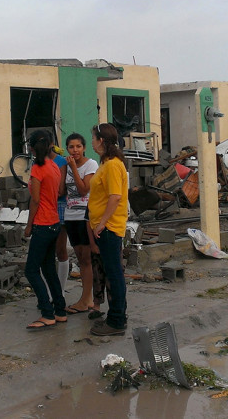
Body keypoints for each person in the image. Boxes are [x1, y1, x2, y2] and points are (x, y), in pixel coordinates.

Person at [88, 123, 129, 336]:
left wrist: (102, 223)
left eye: (93, 138)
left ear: (101, 140)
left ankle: (116, 320)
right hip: (104, 226)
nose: (91, 142)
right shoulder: (107, 163)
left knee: (114, 274)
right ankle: (118, 315)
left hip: (110, 228)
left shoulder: (113, 165)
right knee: (114, 273)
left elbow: (115, 196)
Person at [24, 130, 66, 330]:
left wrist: (29, 224)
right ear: (50, 145)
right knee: (48, 268)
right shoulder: (55, 166)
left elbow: (35, 200)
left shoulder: (37, 168)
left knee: (31, 270)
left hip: (42, 223)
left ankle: (47, 313)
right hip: (55, 222)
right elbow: (57, 193)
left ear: (32, 148)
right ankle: (60, 310)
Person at [62, 133, 98, 314]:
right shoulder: (66, 166)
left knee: (86, 259)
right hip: (70, 216)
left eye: (78, 146)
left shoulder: (91, 164)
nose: (74, 150)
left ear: (84, 148)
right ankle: (88, 298)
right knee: (81, 258)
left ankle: (86, 299)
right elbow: (62, 190)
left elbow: (84, 190)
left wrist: (73, 168)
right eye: (71, 147)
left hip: (85, 216)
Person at [45, 133, 70, 295]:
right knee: (46, 252)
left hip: (59, 207)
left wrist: (42, 192)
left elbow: (61, 190)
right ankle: (48, 291)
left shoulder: (61, 162)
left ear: (51, 144)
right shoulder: (38, 162)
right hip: (44, 209)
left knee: (60, 249)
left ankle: (59, 290)